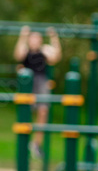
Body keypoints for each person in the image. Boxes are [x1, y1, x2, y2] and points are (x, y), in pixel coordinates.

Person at [14, 25, 62, 159]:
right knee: (25, 111)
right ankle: (24, 143)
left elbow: (56, 57)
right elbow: (18, 55)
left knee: (43, 111)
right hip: (27, 82)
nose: (34, 41)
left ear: (40, 40)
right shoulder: (26, 51)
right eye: (32, 38)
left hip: (41, 82)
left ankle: (36, 143)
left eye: (37, 38)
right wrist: (23, 36)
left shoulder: (44, 51)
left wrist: (54, 37)